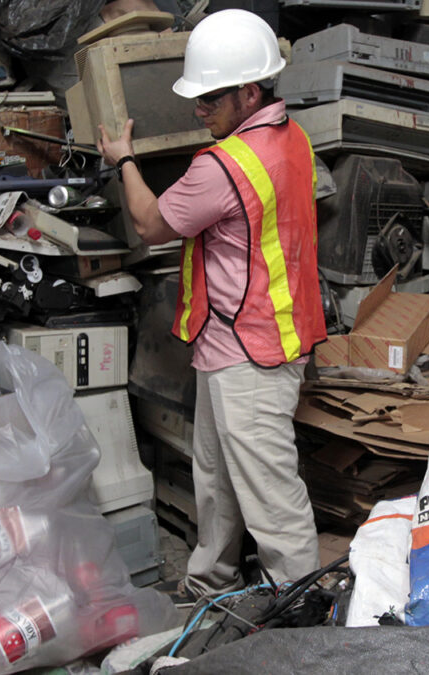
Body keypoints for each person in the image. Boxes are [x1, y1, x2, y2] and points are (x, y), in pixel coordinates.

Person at [96, 9, 326, 602]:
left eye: (210, 99)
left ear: (251, 91)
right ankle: (209, 580)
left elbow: (149, 224)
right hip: (254, 340)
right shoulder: (291, 138)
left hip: (250, 351)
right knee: (219, 479)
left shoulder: (223, 166)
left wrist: (123, 158)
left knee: (272, 498)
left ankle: (298, 608)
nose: (198, 111)